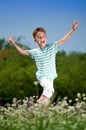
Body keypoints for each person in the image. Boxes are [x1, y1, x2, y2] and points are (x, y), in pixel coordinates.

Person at [7, 21, 79, 104]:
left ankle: (38, 112)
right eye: (39, 37)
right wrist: (13, 43)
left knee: (48, 97)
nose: (42, 39)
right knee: (49, 90)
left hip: (51, 77)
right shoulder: (35, 52)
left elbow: (64, 39)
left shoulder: (52, 47)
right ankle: (35, 106)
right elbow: (22, 52)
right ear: (35, 40)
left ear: (46, 38)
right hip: (43, 77)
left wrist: (73, 30)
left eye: (43, 37)